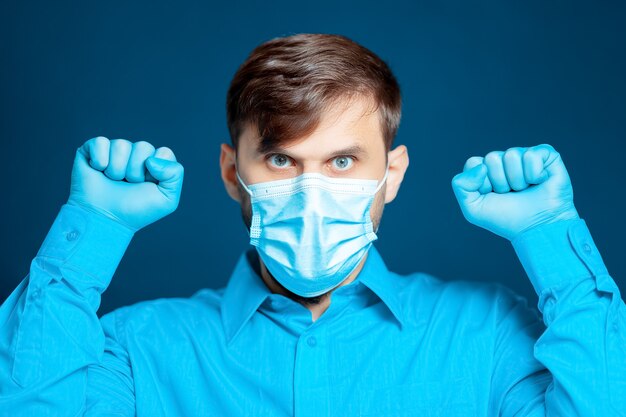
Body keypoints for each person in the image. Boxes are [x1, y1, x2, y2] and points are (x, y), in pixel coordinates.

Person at [0, 33, 624, 417]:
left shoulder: (486, 334)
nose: (312, 189)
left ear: (393, 173)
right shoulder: (135, 350)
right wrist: (92, 227)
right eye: (280, 159)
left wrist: (549, 233)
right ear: (230, 170)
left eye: (344, 161)